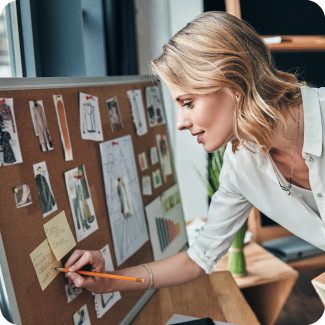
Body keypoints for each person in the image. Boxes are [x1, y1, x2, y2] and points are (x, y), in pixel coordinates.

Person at [65, 11, 325, 294]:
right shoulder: (240, 165)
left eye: (187, 103)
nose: (180, 123)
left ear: (232, 84)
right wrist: (110, 280)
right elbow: (199, 258)